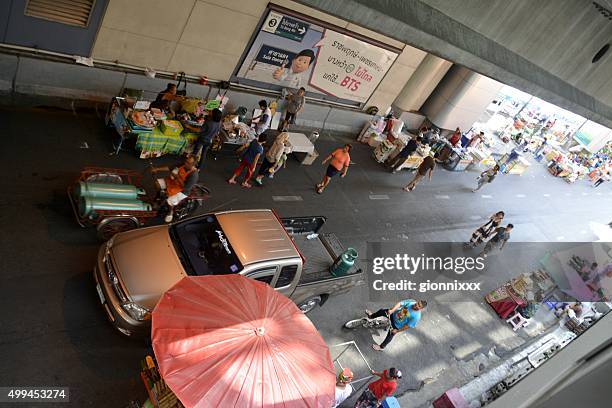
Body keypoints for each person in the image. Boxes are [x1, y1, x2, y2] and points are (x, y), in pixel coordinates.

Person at [153, 155, 198, 223]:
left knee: (170, 200)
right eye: (186, 161)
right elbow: (170, 168)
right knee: (157, 184)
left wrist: (177, 177)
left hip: (182, 190)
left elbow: (185, 187)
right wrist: (157, 169)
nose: (185, 163)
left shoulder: (194, 175)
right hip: (173, 183)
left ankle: (170, 212)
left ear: (193, 164)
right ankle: (157, 198)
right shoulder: (183, 164)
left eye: (188, 163)